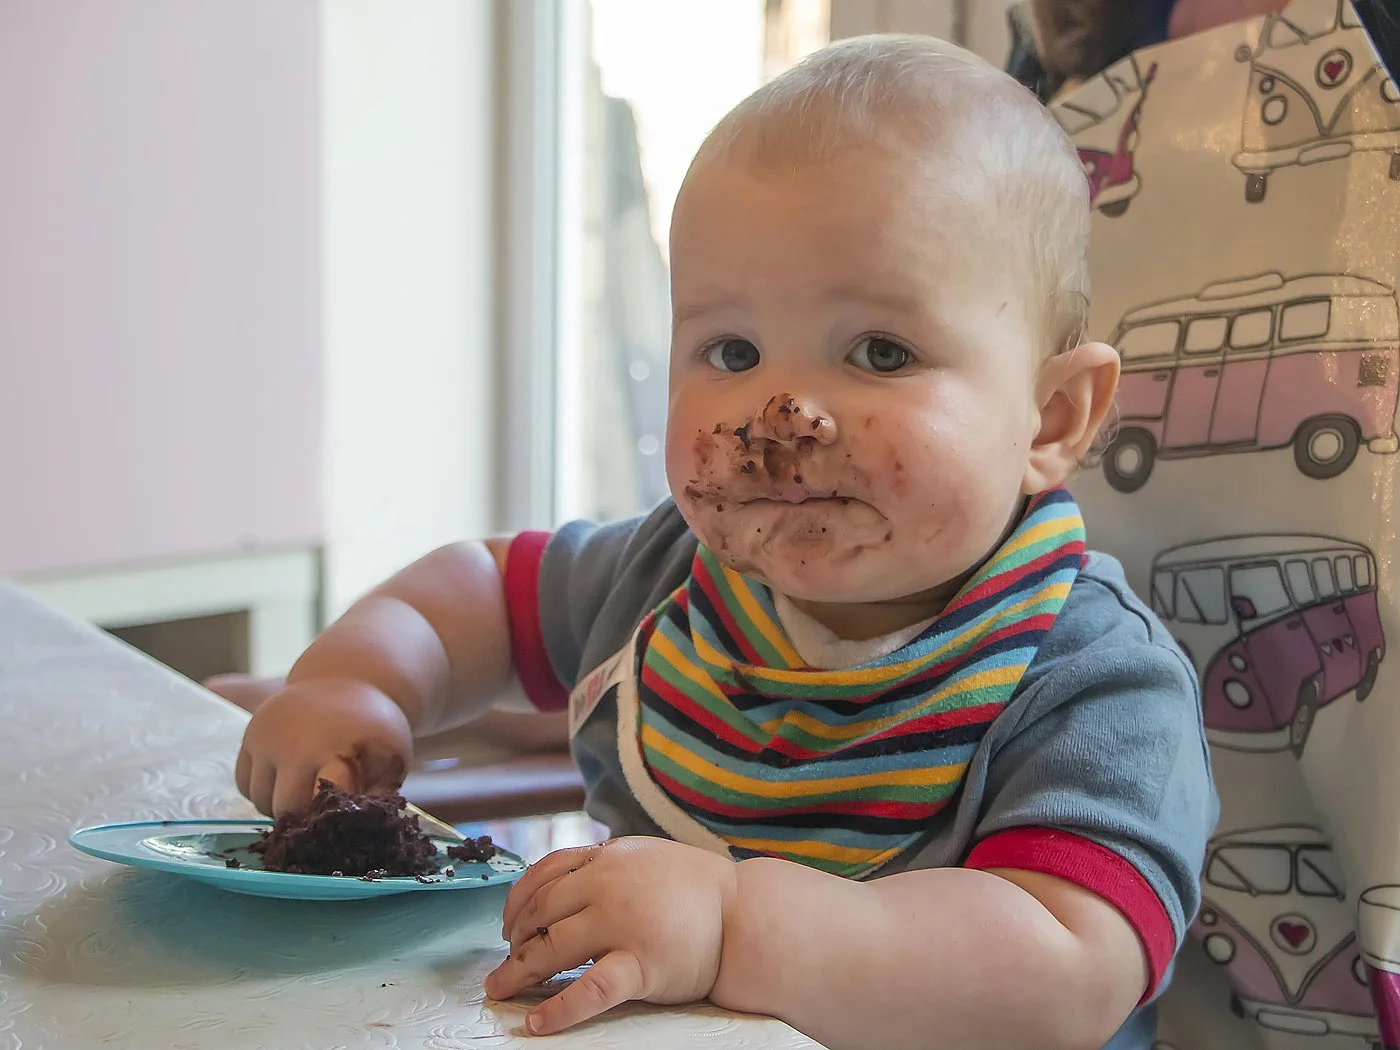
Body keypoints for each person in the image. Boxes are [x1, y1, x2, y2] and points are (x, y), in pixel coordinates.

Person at [234, 36, 1217, 1050]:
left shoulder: (1093, 683)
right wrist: (356, 686)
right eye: (730, 352)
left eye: (880, 352)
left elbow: (1061, 972)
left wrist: (730, 923)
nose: (780, 417)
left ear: (1050, 420)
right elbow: (481, 591)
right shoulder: (666, 580)